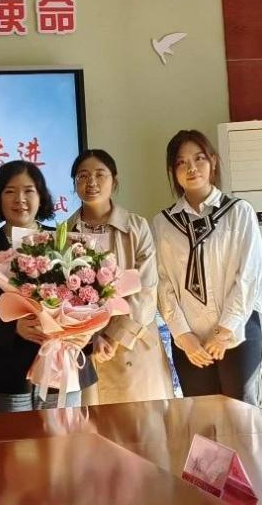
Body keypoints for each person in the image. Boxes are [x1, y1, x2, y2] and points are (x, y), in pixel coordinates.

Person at [0, 161, 97, 412]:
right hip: (9, 370)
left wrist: (80, 331)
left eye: (28, 191)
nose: (19, 199)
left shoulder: (64, 241)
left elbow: (91, 298)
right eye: (10, 191)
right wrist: (12, 327)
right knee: (16, 438)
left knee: (63, 436)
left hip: (61, 365)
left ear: (41, 197)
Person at [152, 130, 262, 405]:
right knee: (201, 417)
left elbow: (251, 275)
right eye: (181, 162)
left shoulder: (239, 212)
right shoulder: (163, 223)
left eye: (199, 158)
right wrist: (183, 335)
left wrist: (224, 331)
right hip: (190, 341)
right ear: (173, 171)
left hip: (237, 332)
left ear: (213, 162)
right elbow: (162, 284)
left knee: (241, 414)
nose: (191, 168)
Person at [66, 149, 176, 404]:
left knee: (139, 424)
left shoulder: (136, 227)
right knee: (93, 423)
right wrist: (91, 337)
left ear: (114, 181)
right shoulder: (65, 232)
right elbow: (62, 297)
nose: (91, 182)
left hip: (133, 343)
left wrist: (113, 336)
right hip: (87, 348)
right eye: (83, 176)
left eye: (100, 174)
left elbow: (146, 290)